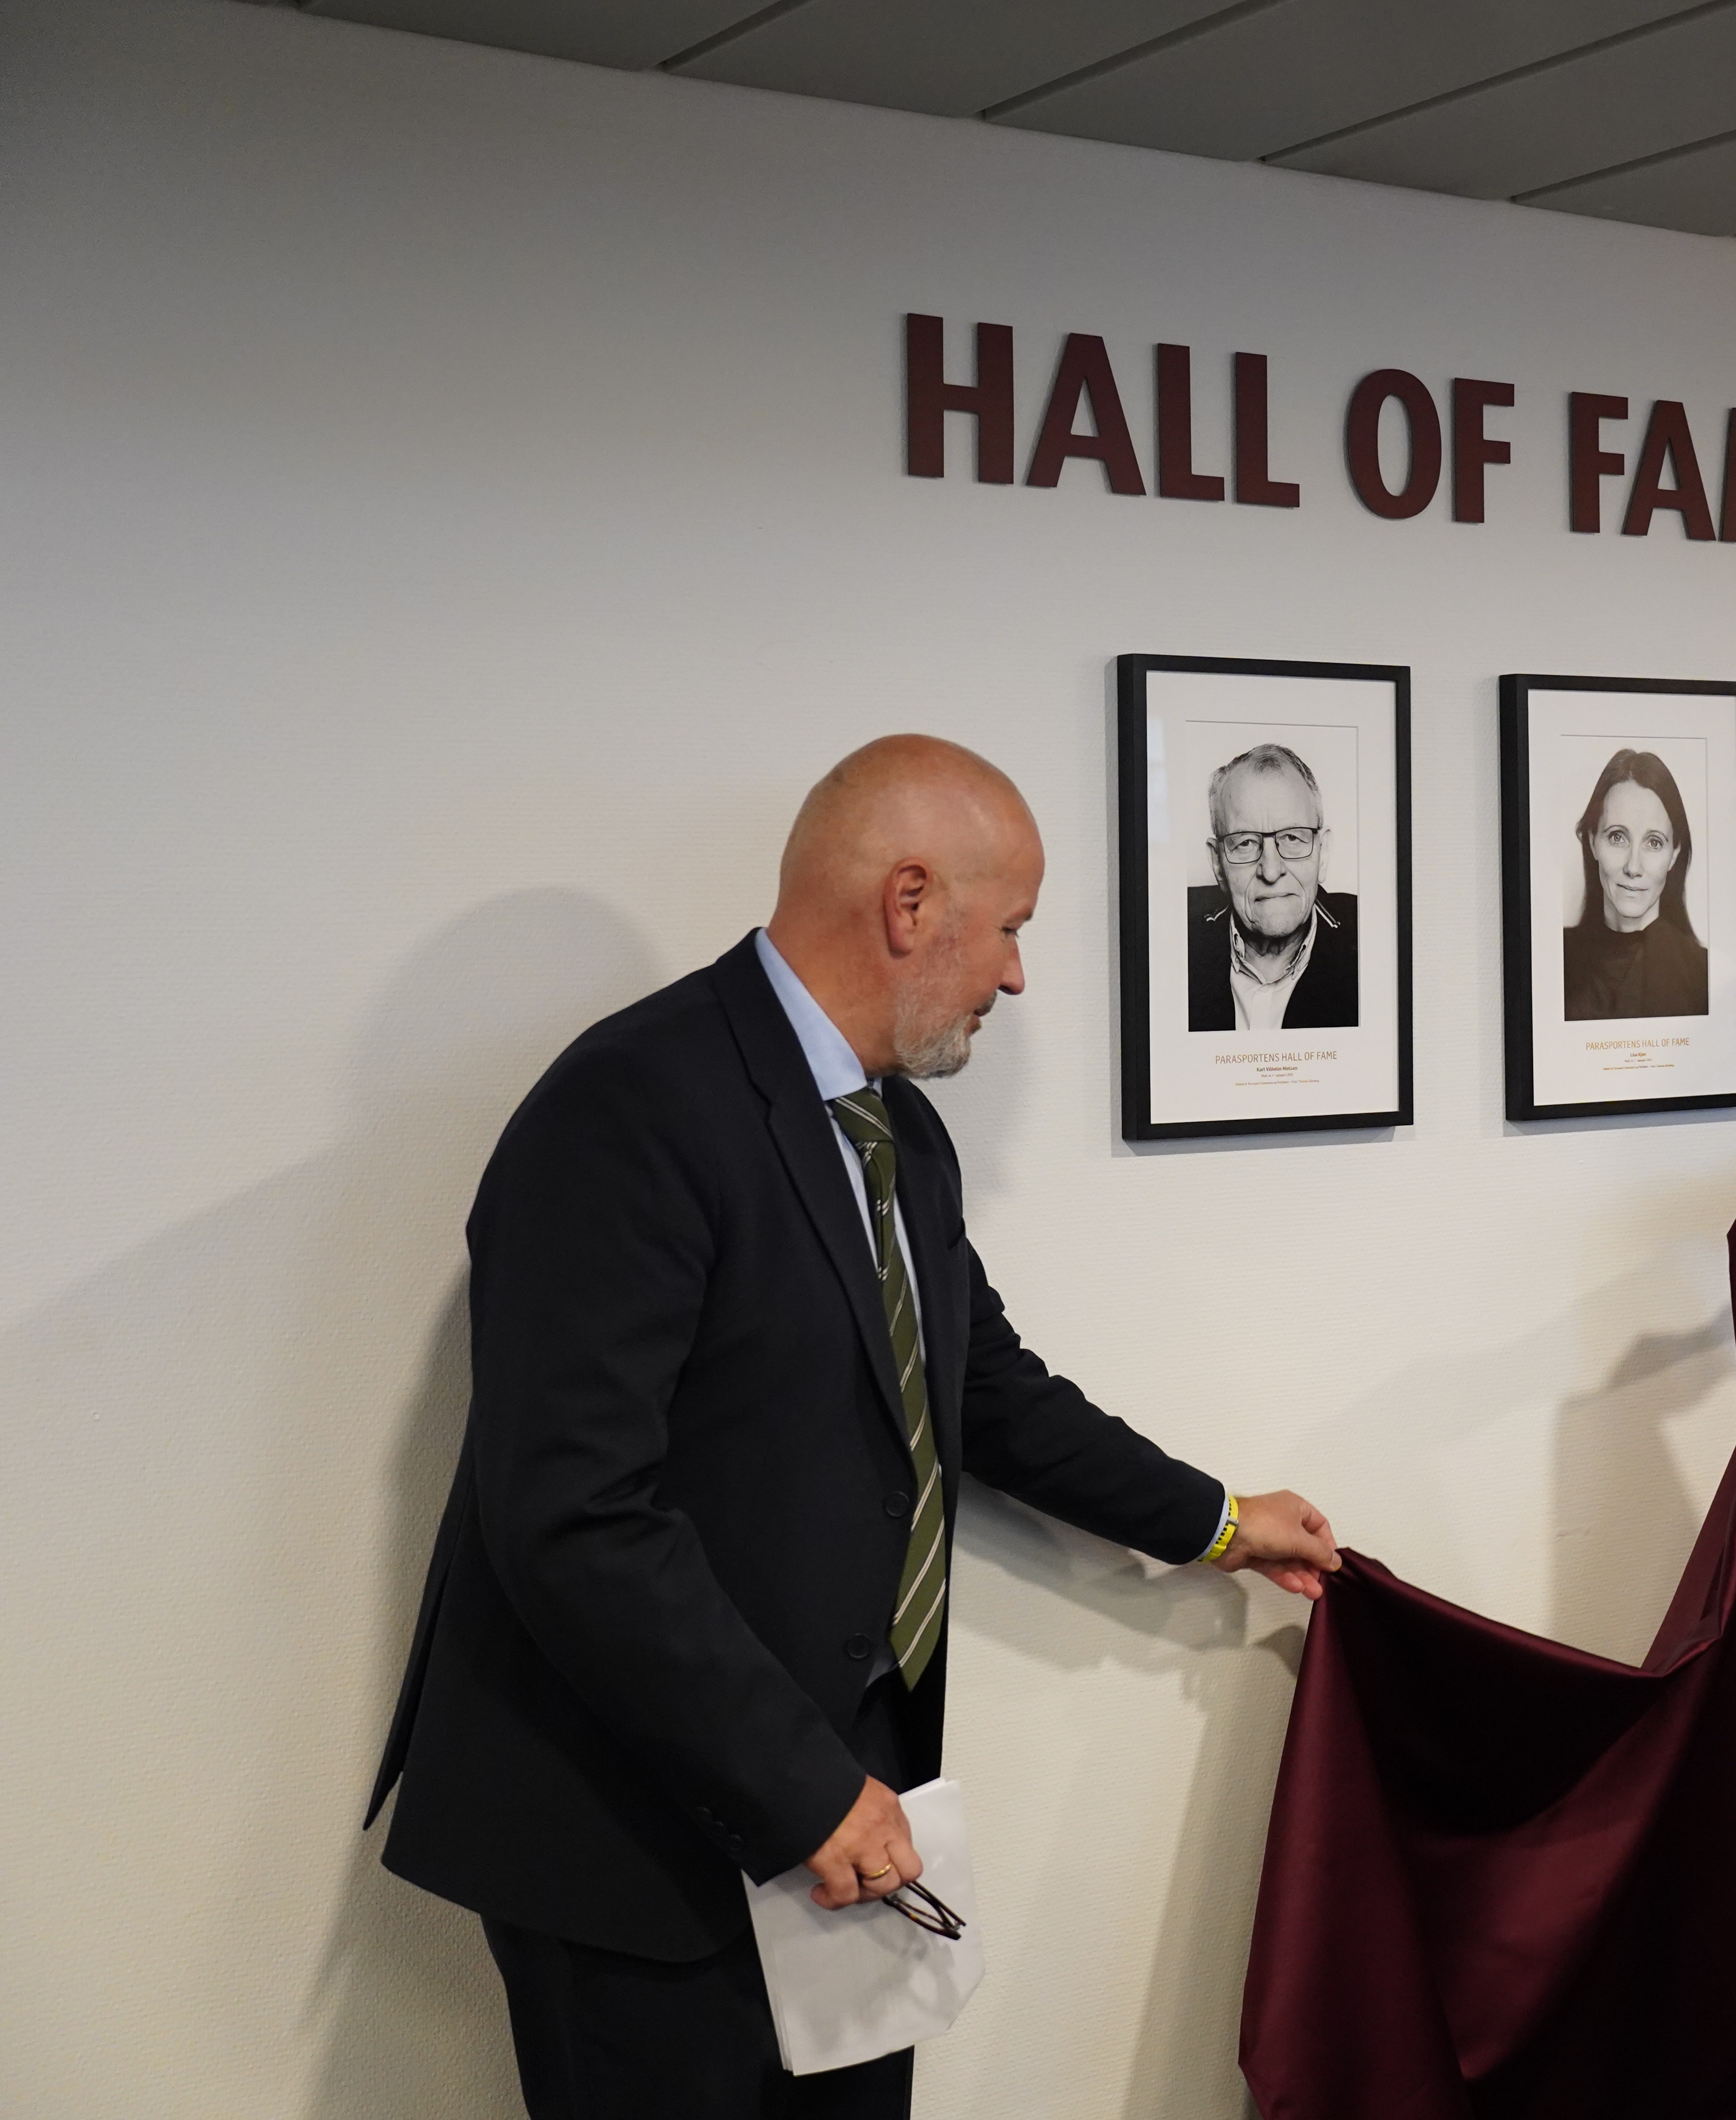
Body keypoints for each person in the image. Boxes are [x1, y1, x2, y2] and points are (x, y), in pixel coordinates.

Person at [364, 736, 1344, 2119]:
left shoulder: (897, 1130)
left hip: (850, 1813)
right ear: (909, 903)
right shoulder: (631, 1109)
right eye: (1008, 929)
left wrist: (1220, 1522)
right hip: (641, 1839)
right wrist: (799, 1788)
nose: (1014, 973)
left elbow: (983, 1387)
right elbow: (574, 1518)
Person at [1188, 742, 1358, 1032]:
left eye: (1292, 838)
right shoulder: (1171, 940)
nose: (1271, 870)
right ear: (1217, 863)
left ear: (1323, 852)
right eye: (1245, 843)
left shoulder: (1373, 942)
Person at [1563, 746, 1710, 1020]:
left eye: (1654, 843)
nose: (1633, 867)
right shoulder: (1553, 961)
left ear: (1674, 854)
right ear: (1593, 841)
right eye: (1618, 837)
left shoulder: (1706, 975)